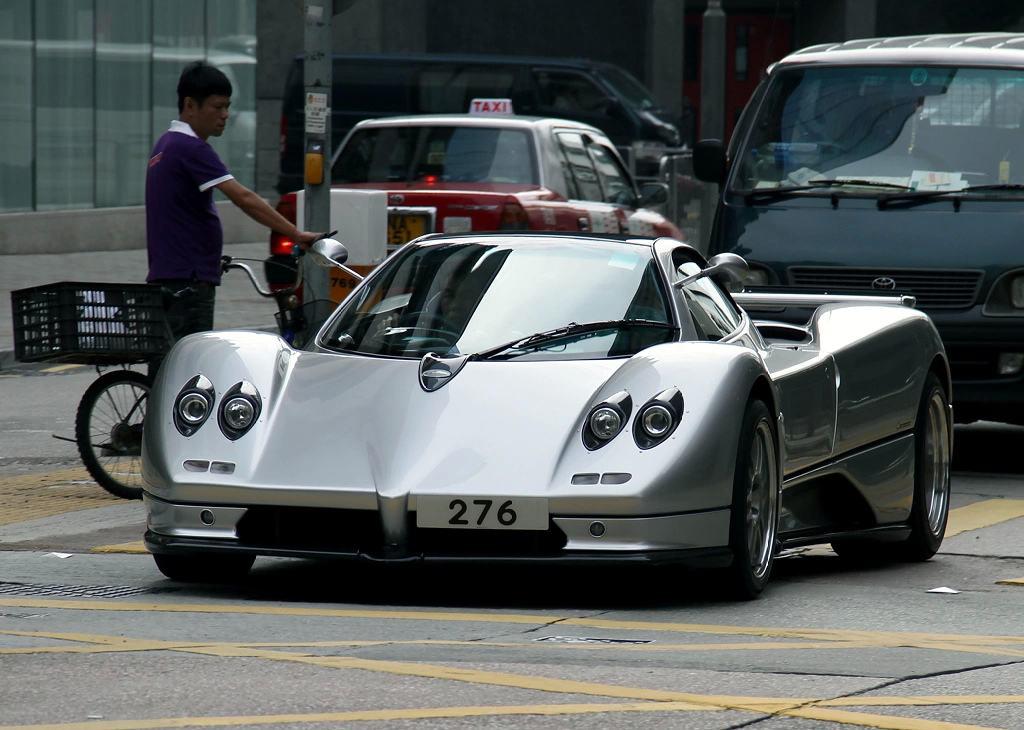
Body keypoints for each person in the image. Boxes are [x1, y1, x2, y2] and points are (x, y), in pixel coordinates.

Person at [145, 60, 321, 354]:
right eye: (217, 107)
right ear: (190, 105)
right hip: (188, 281)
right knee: (190, 367)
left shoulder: (166, 143)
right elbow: (244, 198)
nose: (225, 115)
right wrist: (296, 233)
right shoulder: (191, 148)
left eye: (227, 106)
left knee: (171, 364)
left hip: (173, 275)